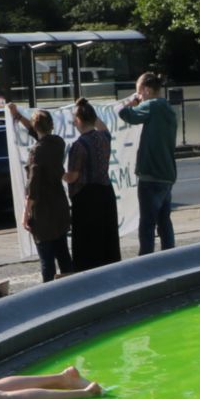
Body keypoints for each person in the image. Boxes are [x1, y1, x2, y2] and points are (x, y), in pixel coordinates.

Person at [115, 72, 179, 256]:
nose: (139, 98)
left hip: (150, 174)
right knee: (164, 221)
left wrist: (130, 104)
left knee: (147, 224)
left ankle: (146, 261)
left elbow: (126, 115)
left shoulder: (151, 105)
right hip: (167, 174)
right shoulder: (168, 108)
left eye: (139, 93)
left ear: (147, 90)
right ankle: (170, 255)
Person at [7, 103, 72, 282]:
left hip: (43, 211)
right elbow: (40, 135)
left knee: (47, 260)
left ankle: (49, 294)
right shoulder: (58, 143)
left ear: (36, 127)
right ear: (52, 125)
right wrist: (19, 117)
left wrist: (25, 213)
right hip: (59, 205)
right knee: (63, 254)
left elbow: (33, 186)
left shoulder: (37, 152)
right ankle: (72, 288)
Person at [63, 97, 121, 272]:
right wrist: (86, 108)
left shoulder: (78, 146)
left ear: (79, 120)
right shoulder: (104, 137)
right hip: (105, 192)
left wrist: (58, 173)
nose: (73, 122)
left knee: (88, 244)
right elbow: (103, 126)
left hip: (87, 198)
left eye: (75, 118)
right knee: (106, 239)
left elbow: (73, 176)